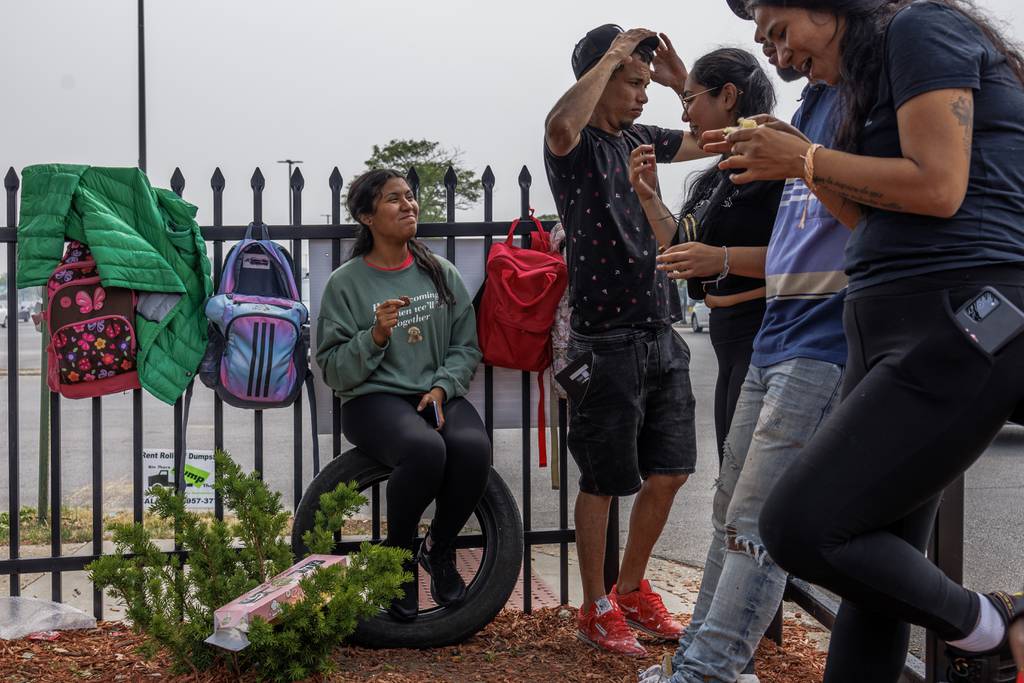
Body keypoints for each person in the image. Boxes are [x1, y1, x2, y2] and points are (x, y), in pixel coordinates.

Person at [703, 1, 1024, 680]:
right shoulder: (869, 78)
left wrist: (808, 155)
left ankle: (996, 625)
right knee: (871, 580)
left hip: (959, 315)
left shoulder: (923, 27)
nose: (781, 56)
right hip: (887, 327)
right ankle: (987, 629)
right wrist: (803, 167)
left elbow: (938, 187)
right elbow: (867, 217)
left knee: (799, 524)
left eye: (781, 31)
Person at [638, 5, 850, 682]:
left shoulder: (825, 121)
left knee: (759, 519)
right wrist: (653, 199)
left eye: (778, 30)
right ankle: (700, 662)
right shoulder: (806, 113)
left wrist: (723, 257)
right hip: (759, 341)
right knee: (733, 509)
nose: (774, 47)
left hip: (802, 336)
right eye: (765, 35)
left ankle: (710, 668)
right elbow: (697, 227)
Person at [543, 23, 708, 657]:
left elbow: (714, 135)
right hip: (603, 338)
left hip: (661, 330)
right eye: (632, 83)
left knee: (670, 471)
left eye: (646, 83)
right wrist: (614, 52)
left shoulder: (641, 137)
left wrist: (678, 81)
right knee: (604, 481)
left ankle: (633, 588)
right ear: (601, 78)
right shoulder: (576, 145)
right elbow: (560, 124)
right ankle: (596, 605)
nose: (643, 95)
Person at [316, 168, 491, 622]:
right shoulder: (345, 283)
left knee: (472, 448)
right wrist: (373, 336)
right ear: (366, 216)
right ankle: (396, 562)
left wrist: (442, 386)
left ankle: (440, 548)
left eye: (410, 197)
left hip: (435, 393)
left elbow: (465, 346)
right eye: (394, 199)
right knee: (424, 449)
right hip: (373, 400)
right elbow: (332, 368)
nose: (408, 205)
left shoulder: (440, 273)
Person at [629, 46, 783, 466]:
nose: (684, 116)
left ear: (728, 97)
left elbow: (799, 259)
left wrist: (723, 260)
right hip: (727, 338)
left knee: (746, 486)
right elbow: (681, 249)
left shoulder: (774, 166)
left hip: (762, 332)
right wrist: (647, 196)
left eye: (689, 99)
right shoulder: (721, 171)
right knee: (733, 478)